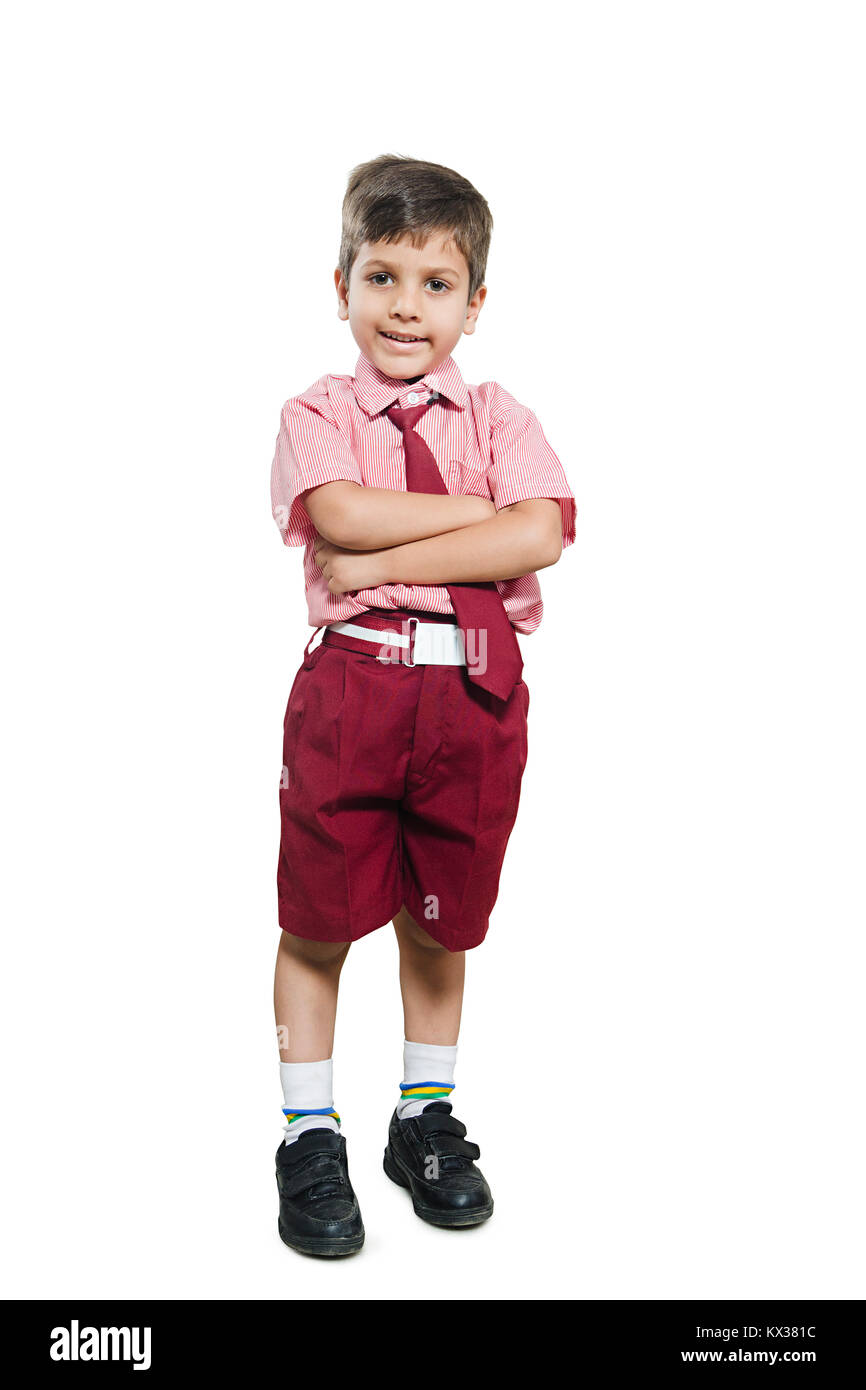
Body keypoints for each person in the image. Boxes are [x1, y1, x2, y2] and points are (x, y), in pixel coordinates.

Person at [270, 153, 577, 1257]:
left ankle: (423, 1118)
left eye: (435, 283)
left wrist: (397, 544)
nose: (407, 305)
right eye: (382, 276)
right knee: (317, 912)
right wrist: (467, 524)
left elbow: (536, 532)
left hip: (472, 690)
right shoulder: (317, 412)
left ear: (474, 302)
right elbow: (343, 516)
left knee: (441, 911)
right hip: (354, 681)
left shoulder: (499, 412)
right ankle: (309, 1129)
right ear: (341, 284)